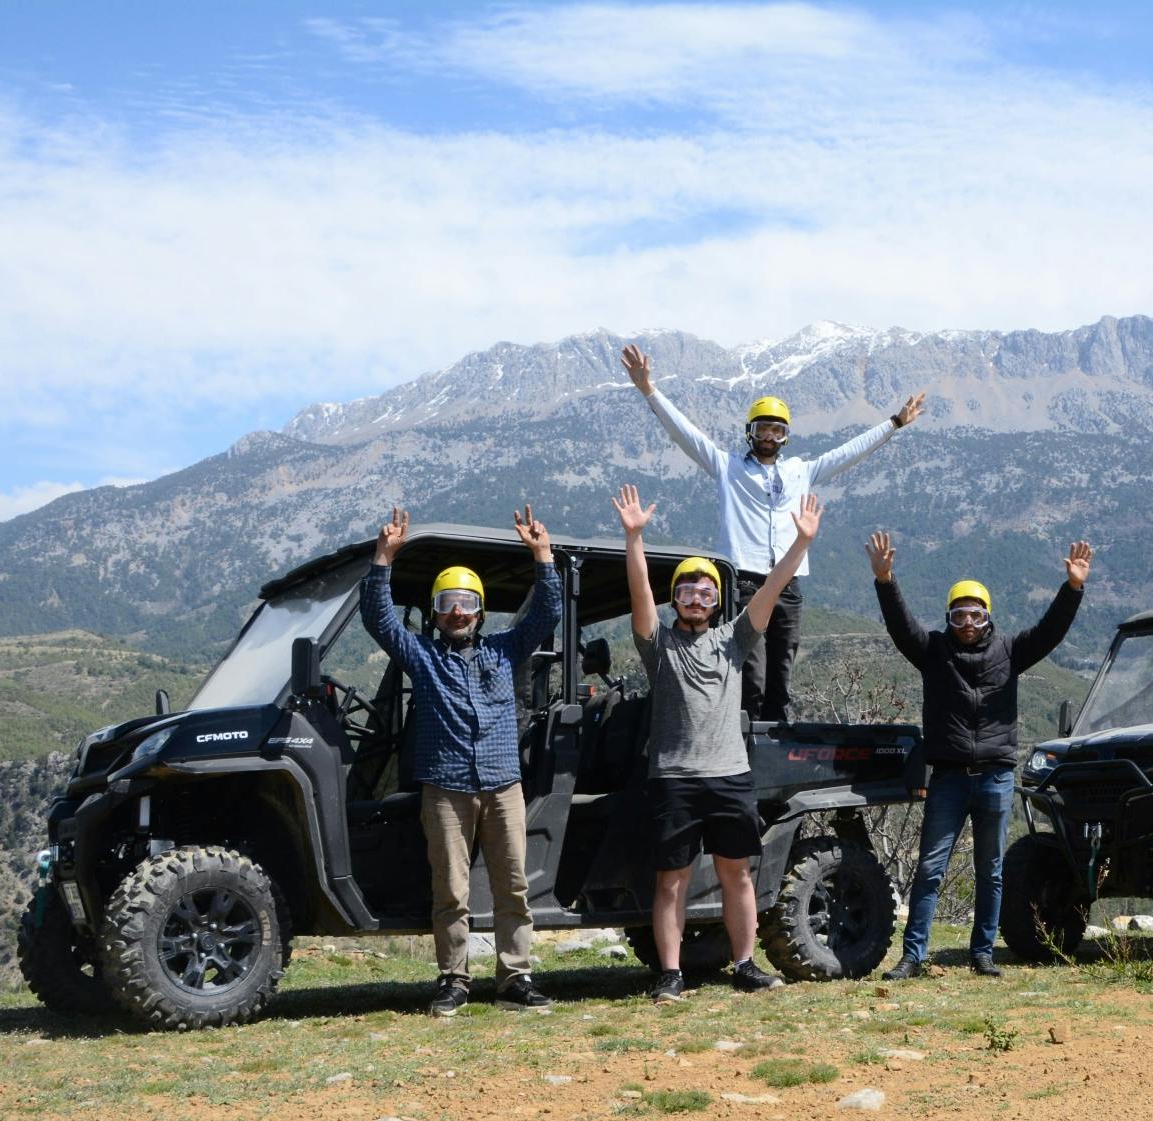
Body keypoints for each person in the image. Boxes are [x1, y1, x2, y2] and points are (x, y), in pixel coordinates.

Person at [620, 341, 927, 722]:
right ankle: (744, 738)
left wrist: (893, 424)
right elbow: (686, 434)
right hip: (744, 581)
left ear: (786, 436)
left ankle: (776, 741)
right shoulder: (727, 467)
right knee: (752, 673)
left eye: (777, 430)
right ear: (750, 432)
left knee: (782, 670)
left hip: (789, 582)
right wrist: (649, 390)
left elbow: (849, 453)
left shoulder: (801, 470)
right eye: (763, 429)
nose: (769, 436)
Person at [613, 481, 822, 1003]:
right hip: (675, 779)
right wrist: (634, 539)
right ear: (675, 600)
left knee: (738, 878)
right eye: (686, 592)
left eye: (706, 593)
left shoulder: (733, 640)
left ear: (716, 601)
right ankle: (669, 973)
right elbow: (639, 596)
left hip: (729, 776)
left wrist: (800, 546)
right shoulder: (658, 647)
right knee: (672, 882)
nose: (696, 600)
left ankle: (746, 964)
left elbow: (771, 592)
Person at [363, 504, 563, 1017]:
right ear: (436, 610)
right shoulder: (422, 657)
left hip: (503, 787)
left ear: (481, 610)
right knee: (450, 890)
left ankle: (515, 977)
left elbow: (546, 615)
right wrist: (384, 558)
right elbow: (379, 621)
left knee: (513, 886)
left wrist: (542, 556)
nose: (458, 611)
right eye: (448, 602)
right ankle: (454, 979)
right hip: (446, 789)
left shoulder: (504, 650)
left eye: (467, 602)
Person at [869, 531, 1093, 979]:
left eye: (975, 613)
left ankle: (983, 953)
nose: (967, 621)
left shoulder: (1009, 651)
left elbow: (1050, 632)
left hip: (994, 777)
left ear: (987, 616)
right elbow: (900, 625)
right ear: (949, 617)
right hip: (949, 778)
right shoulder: (932, 652)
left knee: (990, 871)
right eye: (958, 614)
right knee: (930, 869)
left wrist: (1072, 589)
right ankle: (913, 956)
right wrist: (885, 580)